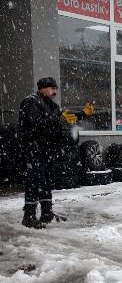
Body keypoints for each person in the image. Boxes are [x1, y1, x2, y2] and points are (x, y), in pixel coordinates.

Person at [19, 77, 65, 228]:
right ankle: (29, 216)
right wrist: (57, 120)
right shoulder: (30, 102)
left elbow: (57, 120)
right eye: (52, 88)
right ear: (42, 88)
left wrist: (81, 114)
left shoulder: (52, 105)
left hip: (48, 149)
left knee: (47, 180)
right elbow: (35, 123)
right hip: (34, 148)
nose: (55, 91)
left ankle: (47, 212)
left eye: (56, 88)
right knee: (34, 180)